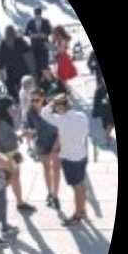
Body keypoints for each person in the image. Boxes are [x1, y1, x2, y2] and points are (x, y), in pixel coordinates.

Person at [42, 93, 90, 226]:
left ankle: (77, 215)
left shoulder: (61, 120)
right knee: (81, 185)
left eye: (56, 107)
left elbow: (44, 113)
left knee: (77, 188)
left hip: (70, 159)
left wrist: (53, 102)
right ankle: (82, 210)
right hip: (82, 155)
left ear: (60, 107)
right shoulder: (82, 116)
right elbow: (86, 133)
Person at [0, 95, 36, 213]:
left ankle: (20, 202)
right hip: (8, 154)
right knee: (9, 178)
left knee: (16, 177)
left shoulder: (5, 119)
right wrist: (20, 136)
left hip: (14, 152)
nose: (15, 108)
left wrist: (18, 136)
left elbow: (10, 136)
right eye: (12, 106)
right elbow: (5, 142)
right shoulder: (1, 123)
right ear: (5, 108)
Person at [23, 88, 61, 209]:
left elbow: (62, 126)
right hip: (41, 143)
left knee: (55, 169)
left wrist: (58, 142)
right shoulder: (30, 113)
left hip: (55, 142)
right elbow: (28, 126)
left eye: (37, 100)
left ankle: (55, 196)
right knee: (46, 168)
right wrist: (28, 132)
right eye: (32, 100)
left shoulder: (52, 109)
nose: (34, 103)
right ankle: (50, 193)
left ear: (43, 98)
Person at [0, 24, 33, 102]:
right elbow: (28, 52)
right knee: (23, 88)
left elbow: (0, 59)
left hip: (11, 71)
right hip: (22, 70)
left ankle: (15, 101)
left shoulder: (4, 44)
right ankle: (23, 101)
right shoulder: (20, 41)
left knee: (10, 87)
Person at [24, 6, 52, 77]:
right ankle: (38, 78)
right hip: (34, 46)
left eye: (39, 16)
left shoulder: (46, 21)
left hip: (44, 46)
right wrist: (31, 35)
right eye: (36, 16)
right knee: (36, 64)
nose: (37, 17)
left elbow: (50, 31)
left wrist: (44, 35)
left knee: (44, 64)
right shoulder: (30, 22)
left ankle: (45, 78)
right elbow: (26, 32)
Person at [92, 77, 114, 146]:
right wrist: (95, 111)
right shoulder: (99, 90)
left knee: (110, 123)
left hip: (109, 111)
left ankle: (106, 136)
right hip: (103, 110)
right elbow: (96, 101)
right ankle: (107, 137)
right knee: (105, 124)